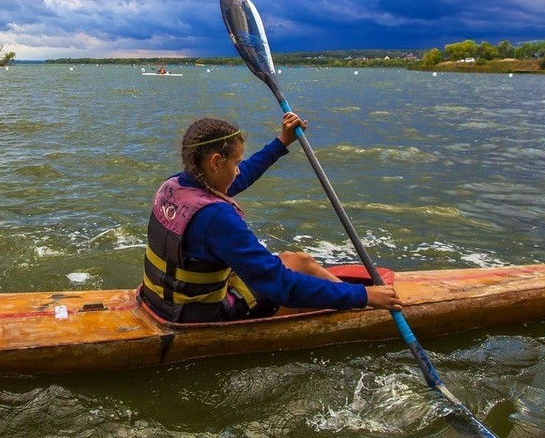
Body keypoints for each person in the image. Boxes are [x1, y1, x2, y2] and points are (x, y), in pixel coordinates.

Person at [140, 113, 403, 323]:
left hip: (161, 301)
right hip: (201, 315)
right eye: (236, 163)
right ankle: (363, 307)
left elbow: (240, 178)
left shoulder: (174, 185)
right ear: (217, 162)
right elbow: (280, 285)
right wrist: (362, 295)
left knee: (300, 261)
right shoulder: (217, 217)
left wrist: (281, 143)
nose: (238, 170)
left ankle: (358, 299)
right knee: (293, 278)